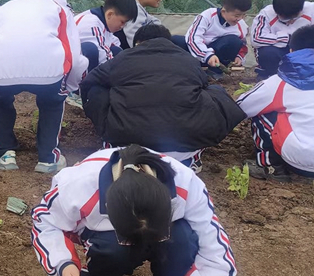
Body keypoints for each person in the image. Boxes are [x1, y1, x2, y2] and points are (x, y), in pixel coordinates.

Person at [31, 145, 236, 276]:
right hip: (107, 238)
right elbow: (46, 221)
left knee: (183, 237)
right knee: (112, 248)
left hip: (170, 235)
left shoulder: (187, 184)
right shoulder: (77, 186)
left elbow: (217, 258)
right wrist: (64, 264)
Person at [81, 24, 245, 172]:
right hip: (186, 146)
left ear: (138, 43)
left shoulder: (123, 58)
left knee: (97, 89)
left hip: (126, 143)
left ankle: (109, 143)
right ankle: (191, 159)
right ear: (168, 41)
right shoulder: (188, 59)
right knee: (214, 90)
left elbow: (89, 83)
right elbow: (202, 86)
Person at [0, 0, 87, 173]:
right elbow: (74, 56)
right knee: (51, 103)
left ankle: (5, 154)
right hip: (49, 72)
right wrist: (69, 87)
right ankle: (48, 158)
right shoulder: (58, 9)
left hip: (1, 70)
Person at [237, 25, 314, 181]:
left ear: (291, 51)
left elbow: (241, 106)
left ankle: (271, 167)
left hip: (301, 161)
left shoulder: (280, 83)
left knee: (262, 112)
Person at [174, 0, 251, 80]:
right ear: (223, 11)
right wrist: (207, 55)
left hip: (217, 60)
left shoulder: (241, 25)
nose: (240, 18)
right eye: (237, 15)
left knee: (234, 41)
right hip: (198, 54)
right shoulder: (207, 16)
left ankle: (215, 72)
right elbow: (193, 38)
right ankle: (184, 70)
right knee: (175, 40)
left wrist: (239, 57)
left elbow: (243, 45)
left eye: (244, 15)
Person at [251, 0, 314, 79]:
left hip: (304, 50)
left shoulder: (311, 9)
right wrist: (285, 38)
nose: (290, 22)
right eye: (285, 20)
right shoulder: (266, 14)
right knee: (267, 53)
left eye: (295, 18)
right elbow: (256, 39)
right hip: (279, 49)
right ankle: (271, 74)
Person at [75, 0, 138, 71]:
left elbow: (115, 44)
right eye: (122, 22)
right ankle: (86, 83)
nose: (122, 26)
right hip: (68, 71)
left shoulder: (103, 23)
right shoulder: (91, 23)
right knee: (91, 50)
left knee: (116, 51)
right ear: (110, 14)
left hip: (77, 65)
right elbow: (103, 58)